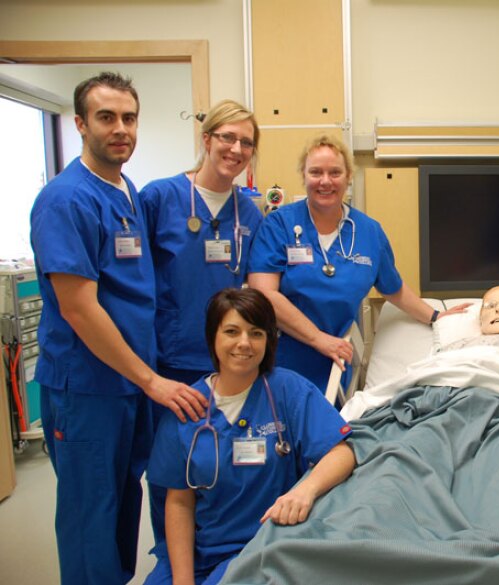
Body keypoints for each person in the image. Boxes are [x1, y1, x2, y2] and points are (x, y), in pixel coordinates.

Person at [29, 71, 207, 585]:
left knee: (125, 504)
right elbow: (80, 309)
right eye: (106, 117)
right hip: (87, 388)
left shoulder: (126, 190)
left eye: (129, 118)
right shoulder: (67, 200)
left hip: (128, 383)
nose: (120, 128)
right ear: (81, 123)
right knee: (92, 516)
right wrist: (152, 380)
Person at [145, 288, 355, 585]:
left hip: (267, 543)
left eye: (256, 333)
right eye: (232, 331)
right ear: (213, 337)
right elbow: (179, 501)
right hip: (200, 552)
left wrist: (304, 491)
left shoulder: (287, 390)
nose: (244, 343)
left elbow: (341, 452)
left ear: (269, 340)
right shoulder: (188, 407)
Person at [248, 134, 468, 391]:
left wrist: (436, 316)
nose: (325, 181)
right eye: (316, 172)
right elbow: (264, 294)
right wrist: (318, 339)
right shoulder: (279, 225)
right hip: (281, 358)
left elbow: (392, 288)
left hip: (336, 359)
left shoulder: (369, 232)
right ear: (304, 175)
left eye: (335, 172)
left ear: (349, 177)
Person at [140, 100, 264, 553]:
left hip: (227, 365)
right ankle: (172, 564)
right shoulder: (157, 198)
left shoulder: (249, 214)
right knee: (171, 472)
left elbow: (253, 292)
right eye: (227, 137)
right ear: (206, 139)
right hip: (171, 362)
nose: (235, 148)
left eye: (246, 142)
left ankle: (215, 558)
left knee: (220, 468)